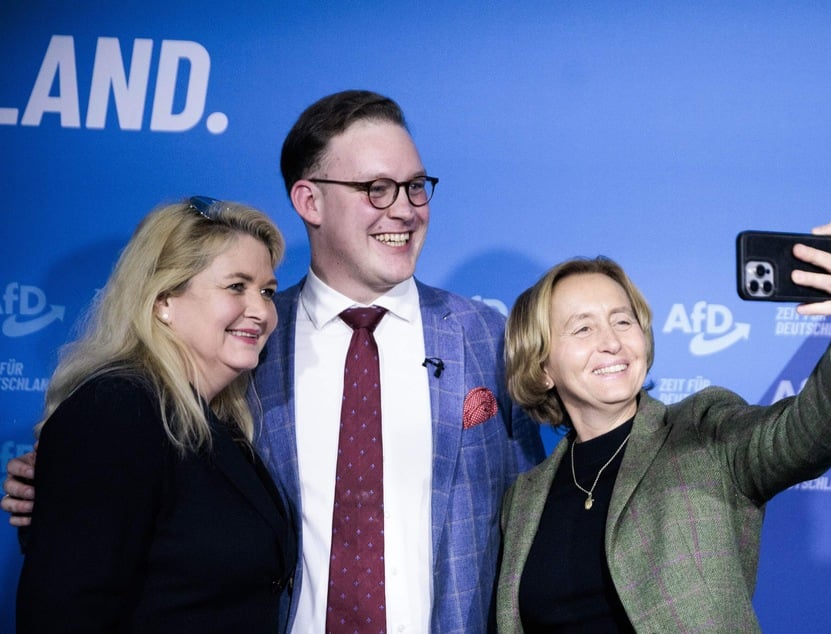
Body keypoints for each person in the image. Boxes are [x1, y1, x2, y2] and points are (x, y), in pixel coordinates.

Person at [5, 91, 546, 633]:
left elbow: (539, 513)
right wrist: (55, 488)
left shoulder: (487, 337)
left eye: (415, 186)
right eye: (376, 188)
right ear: (309, 201)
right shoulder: (242, 346)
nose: (404, 208)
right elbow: (134, 494)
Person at [496, 226, 831, 633]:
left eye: (623, 321)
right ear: (543, 366)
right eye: (583, 328)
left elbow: (806, 434)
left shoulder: (703, 432)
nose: (612, 342)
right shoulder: (524, 499)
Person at [15, 198, 295, 632]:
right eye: (236, 286)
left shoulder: (217, 420)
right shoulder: (116, 411)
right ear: (164, 300)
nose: (260, 310)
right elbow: (66, 609)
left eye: (267, 291)